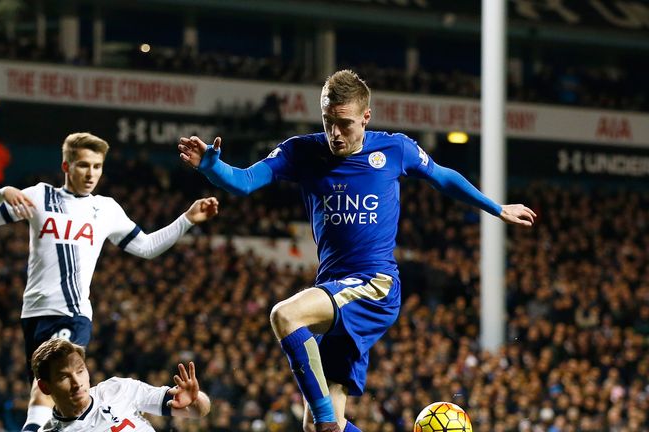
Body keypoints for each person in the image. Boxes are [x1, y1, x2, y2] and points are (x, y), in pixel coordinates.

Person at [178, 70, 536, 432]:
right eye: (328, 122)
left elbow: (443, 177)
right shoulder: (301, 151)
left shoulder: (394, 149)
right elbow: (244, 182)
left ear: (366, 117)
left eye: (345, 124)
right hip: (334, 290)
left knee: (285, 317)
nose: (335, 133)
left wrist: (497, 208)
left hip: (374, 285)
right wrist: (212, 167)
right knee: (315, 427)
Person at [0, 132, 219, 432]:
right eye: (84, 165)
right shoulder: (39, 196)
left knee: (49, 383)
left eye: (98, 167)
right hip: (34, 314)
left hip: (73, 311)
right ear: (66, 167)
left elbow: (146, 246)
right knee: (47, 387)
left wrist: (187, 220)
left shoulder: (106, 209)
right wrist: (2, 193)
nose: (91, 174)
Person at [31, 338, 210, 431]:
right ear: (45, 387)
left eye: (80, 371)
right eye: (64, 377)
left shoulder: (118, 389)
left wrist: (195, 399)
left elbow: (198, 411)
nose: (77, 383)